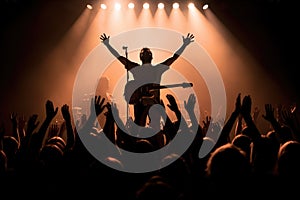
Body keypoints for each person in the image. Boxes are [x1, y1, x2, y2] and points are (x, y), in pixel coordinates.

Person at [99, 32, 194, 127]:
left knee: (154, 126)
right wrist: (108, 45)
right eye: (143, 53)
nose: (145, 54)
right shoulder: (141, 69)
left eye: (147, 52)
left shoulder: (156, 69)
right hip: (141, 102)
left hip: (153, 102)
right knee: (140, 126)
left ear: (151, 56)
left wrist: (184, 45)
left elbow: (173, 58)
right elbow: (120, 58)